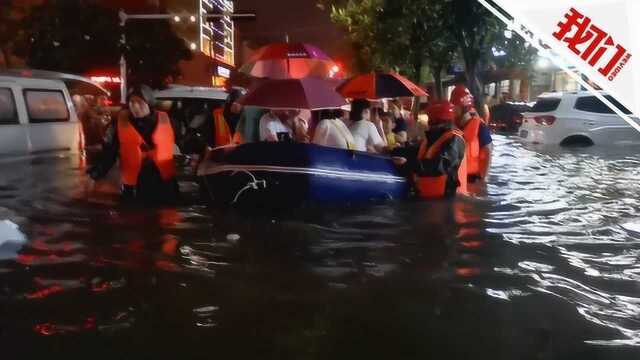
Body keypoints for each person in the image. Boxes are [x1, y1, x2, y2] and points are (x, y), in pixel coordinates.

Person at [87, 85, 179, 203]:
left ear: (149, 104)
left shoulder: (169, 121)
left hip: (165, 185)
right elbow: (110, 154)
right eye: (131, 102)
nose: (134, 106)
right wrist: (95, 174)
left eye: (139, 103)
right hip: (134, 187)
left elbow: (187, 144)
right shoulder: (120, 124)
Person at [412, 101, 467, 199]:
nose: (427, 123)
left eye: (429, 119)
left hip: (448, 199)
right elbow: (416, 152)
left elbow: (440, 165)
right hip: (431, 197)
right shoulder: (434, 137)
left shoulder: (455, 139)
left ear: (436, 121)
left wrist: (410, 165)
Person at [452, 90, 493, 182]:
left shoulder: (480, 127)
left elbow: (488, 151)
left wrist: (484, 178)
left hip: (474, 178)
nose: (453, 109)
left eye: (455, 106)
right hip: (459, 177)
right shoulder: (454, 126)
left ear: (464, 107)